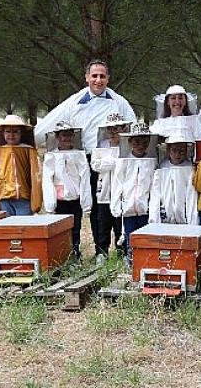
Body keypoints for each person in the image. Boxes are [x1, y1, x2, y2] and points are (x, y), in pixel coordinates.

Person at [32, 59, 137, 259]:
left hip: (114, 160)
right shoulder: (75, 101)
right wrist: (32, 139)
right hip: (86, 160)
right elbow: (52, 121)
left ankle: (123, 249)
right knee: (96, 208)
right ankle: (100, 250)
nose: (98, 80)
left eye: (102, 76)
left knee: (117, 202)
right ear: (87, 77)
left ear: (108, 78)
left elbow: (131, 127)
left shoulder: (119, 102)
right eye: (94, 76)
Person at [42, 122, 92, 259]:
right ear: (57, 137)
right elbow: (47, 180)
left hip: (75, 199)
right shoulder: (51, 156)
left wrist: (86, 202)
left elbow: (85, 178)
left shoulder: (79, 154)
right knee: (60, 229)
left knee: (76, 229)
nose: (67, 138)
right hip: (59, 200)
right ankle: (61, 255)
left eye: (69, 135)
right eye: (64, 135)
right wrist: (50, 203)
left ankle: (75, 253)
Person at [110, 123, 158, 266]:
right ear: (130, 142)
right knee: (129, 233)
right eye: (136, 141)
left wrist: (152, 206)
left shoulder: (152, 162)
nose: (140, 145)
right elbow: (117, 183)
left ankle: (144, 259)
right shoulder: (123, 161)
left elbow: (154, 186)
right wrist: (116, 204)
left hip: (145, 207)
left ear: (149, 142)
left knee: (144, 234)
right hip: (128, 206)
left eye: (144, 141)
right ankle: (130, 259)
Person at [90, 113, 131, 259]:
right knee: (103, 226)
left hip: (122, 195)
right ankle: (102, 253)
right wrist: (115, 162)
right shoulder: (100, 147)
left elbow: (127, 167)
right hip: (104, 193)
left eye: (117, 129)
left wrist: (108, 163)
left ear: (124, 129)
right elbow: (95, 165)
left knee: (120, 226)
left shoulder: (128, 148)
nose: (113, 133)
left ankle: (122, 254)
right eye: (110, 130)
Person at [0, 115, 42, 216]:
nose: (11, 135)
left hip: (23, 196)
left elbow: (35, 175)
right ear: (3, 133)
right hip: (4, 196)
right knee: (8, 227)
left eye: (16, 131)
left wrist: (36, 202)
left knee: (24, 226)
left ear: (21, 133)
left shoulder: (28, 150)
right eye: (8, 131)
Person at [149, 133, 198, 225]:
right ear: (168, 150)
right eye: (174, 150)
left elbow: (191, 196)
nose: (177, 154)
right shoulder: (162, 167)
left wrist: (192, 221)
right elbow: (156, 193)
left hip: (184, 216)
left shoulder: (189, 168)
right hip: (166, 215)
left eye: (181, 151)